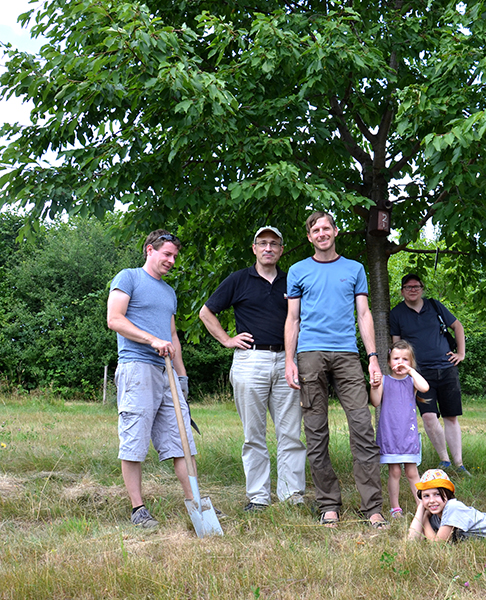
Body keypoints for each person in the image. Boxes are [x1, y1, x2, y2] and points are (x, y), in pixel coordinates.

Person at [284, 211, 387, 529]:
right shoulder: (297, 270)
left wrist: (372, 358)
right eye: (315, 229)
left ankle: (372, 507)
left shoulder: (354, 269)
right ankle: (328, 504)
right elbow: (292, 319)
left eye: (326, 227)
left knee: (362, 430)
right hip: (309, 355)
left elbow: (364, 314)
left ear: (336, 231)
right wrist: (290, 360)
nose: (321, 233)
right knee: (315, 434)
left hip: (346, 355)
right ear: (309, 236)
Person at [199, 226, 306, 512]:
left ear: (281, 250)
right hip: (250, 361)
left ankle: (291, 495)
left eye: (274, 244)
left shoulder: (292, 281)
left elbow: (301, 320)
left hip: (287, 361)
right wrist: (226, 339)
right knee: (253, 435)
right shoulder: (239, 279)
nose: (268, 248)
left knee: (291, 433)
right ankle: (258, 497)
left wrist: (294, 357)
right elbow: (206, 312)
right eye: (263, 243)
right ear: (254, 248)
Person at [107, 229, 197, 529]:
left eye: (174, 256)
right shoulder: (128, 277)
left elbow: (172, 336)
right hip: (137, 368)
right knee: (134, 440)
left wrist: (182, 375)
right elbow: (115, 319)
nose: (171, 260)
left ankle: (195, 503)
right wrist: (150, 340)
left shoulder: (169, 292)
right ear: (150, 250)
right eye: (166, 254)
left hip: (167, 372)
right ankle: (138, 509)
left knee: (182, 440)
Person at [389, 274, 470, 475]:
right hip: (419, 373)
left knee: (451, 416)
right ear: (402, 291)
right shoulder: (396, 313)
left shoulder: (435, 306)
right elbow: (397, 344)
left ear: (422, 289)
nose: (412, 290)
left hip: (446, 368)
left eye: (416, 286)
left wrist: (461, 353)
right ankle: (445, 460)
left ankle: (459, 464)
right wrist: (402, 368)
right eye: (408, 287)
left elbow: (457, 326)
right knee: (428, 416)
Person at [369, 340, 430, 518]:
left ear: (411, 363)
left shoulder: (411, 381)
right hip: (390, 434)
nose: (400, 362)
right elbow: (375, 401)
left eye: (405, 359)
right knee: (394, 471)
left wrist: (411, 371)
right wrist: (374, 386)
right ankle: (395, 508)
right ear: (389, 362)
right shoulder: (385, 380)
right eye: (396, 358)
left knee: (412, 472)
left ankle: (422, 506)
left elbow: (425, 387)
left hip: (407, 435)